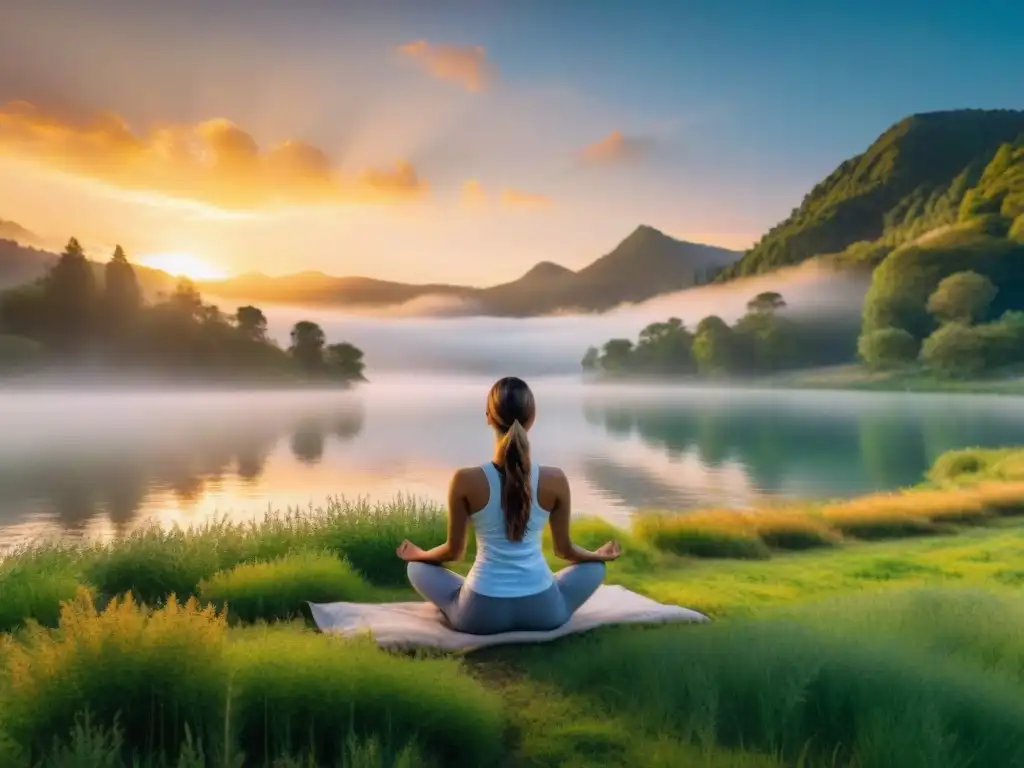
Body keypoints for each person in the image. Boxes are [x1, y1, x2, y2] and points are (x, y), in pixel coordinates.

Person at [396, 376, 622, 635]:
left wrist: (419, 555)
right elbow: (565, 551)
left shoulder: (465, 480)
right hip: (544, 612)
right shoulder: (555, 479)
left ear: (488, 417)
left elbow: (453, 552)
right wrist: (597, 555)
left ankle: (457, 601)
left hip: (479, 616)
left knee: (416, 568)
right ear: (532, 418)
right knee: (595, 568)